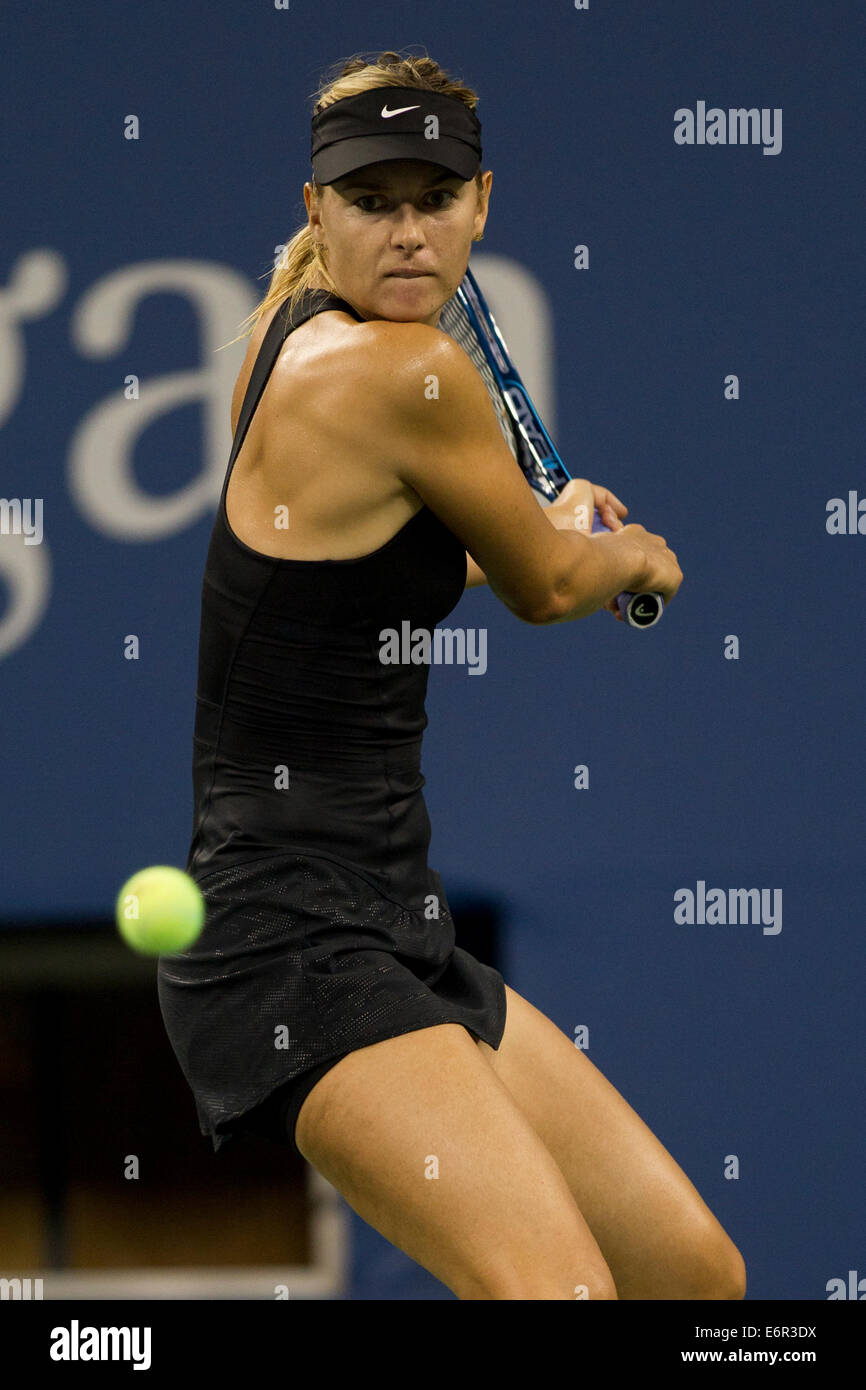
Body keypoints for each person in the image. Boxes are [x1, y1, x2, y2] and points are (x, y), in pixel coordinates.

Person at [158, 49, 743, 1302]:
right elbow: (543, 587)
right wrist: (627, 552)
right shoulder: (395, 374)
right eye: (373, 202)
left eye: (436, 198)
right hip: (285, 946)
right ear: (317, 210)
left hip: (397, 922)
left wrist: (527, 534)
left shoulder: (281, 333)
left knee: (689, 1275)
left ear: (484, 202)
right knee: (561, 1297)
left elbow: (358, 567)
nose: (408, 232)